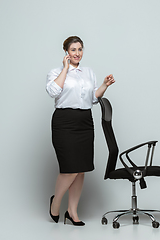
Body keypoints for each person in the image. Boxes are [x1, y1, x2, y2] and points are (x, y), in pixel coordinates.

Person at [45, 36, 115, 226]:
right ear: (66, 52)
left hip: (84, 122)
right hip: (64, 122)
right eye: (73, 50)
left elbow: (92, 98)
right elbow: (53, 91)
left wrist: (104, 86)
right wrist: (66, 69)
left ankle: (72, 212)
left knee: (81, 169)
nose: (77, 53)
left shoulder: (88, 72)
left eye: (80, 49)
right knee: (69, 169)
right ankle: (56, 203)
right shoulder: (56, 72)